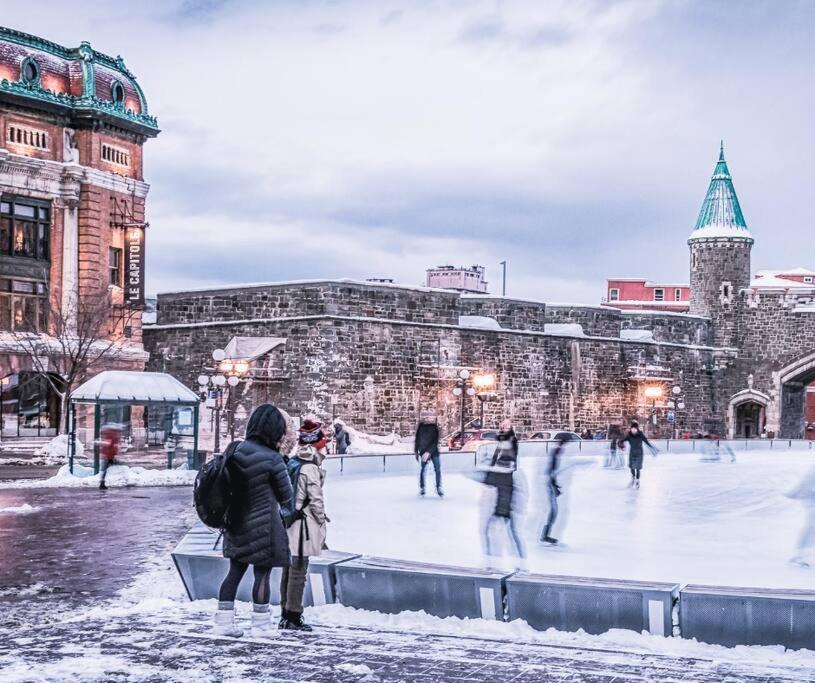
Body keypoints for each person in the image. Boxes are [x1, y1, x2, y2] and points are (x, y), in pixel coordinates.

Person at [215, 404, 294, 638]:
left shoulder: (234, 450)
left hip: (236, 524)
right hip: (265, 528)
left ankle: (223, 623)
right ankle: (260, 626)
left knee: (233, 574)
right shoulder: (274, 459)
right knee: (262, 577)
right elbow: (287, 498)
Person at [279, 436, 328, 631]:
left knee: (288, 569)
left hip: (289, 521)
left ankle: (285, 613)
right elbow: (316, 499)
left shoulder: (293, 461)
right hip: (303, 526)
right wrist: (322, 520)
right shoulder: (310, 468)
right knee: (299, 570)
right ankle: (293, 616)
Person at [482, 419, 525, 564]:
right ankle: (500, 560)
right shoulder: (502, 440)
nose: (504, 427)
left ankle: (517, 562)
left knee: (509, 533)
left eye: (507, 425)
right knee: (499, 531)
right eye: (503, 425)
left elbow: (511, 458)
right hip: (501, 497)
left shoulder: (511, 441)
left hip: (504, 501)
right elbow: (497, 455)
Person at [540, 433, 568, 544]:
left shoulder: (556, 451)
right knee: (553, 511)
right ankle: (545, 535)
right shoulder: (556, 452)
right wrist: (554, 485)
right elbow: (551, 470)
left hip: (551, 483)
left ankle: (546, 534)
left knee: (553, 511)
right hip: (550, 483)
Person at [788, 465, 815, 567]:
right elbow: (807, 482)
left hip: (810, 496)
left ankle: (800, 554)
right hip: (811, 498)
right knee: (812, 526)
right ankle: (799, 555)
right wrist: (795, 491)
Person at [618, 421, 658, 488]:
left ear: (637, 429)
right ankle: (633, 478)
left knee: (638, 468)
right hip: (632, 453)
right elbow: (621, 441)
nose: (633, 430)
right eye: (632, 429)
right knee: (632, 467)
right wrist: (621, 445)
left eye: (634, 429)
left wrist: (653, 448)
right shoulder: (629, 435)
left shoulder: (641, 435)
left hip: (639, 453)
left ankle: (637, 480)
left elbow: (647, 442)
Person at [415, 411, 442, 497]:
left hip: (433, 452)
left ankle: (438, 487)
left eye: (429, 417)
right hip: (423, 452)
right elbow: (417, 439)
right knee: (423, 470)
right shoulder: (421, 427)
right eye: (425, 417)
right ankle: (422, 487)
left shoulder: (434, 427)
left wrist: (429, 452)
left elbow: (435, 441)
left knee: (437, 469)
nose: (427, 419)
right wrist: (416, 451)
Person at [98, 424, 122, 490]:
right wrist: (113, 455)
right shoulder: (112, 436)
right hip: (109, 456)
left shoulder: (109, 435)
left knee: (105, 470)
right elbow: (111, 447)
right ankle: (102, 484)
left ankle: (102, 483)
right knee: (120, 466)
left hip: (108, 456)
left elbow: (108, 446)